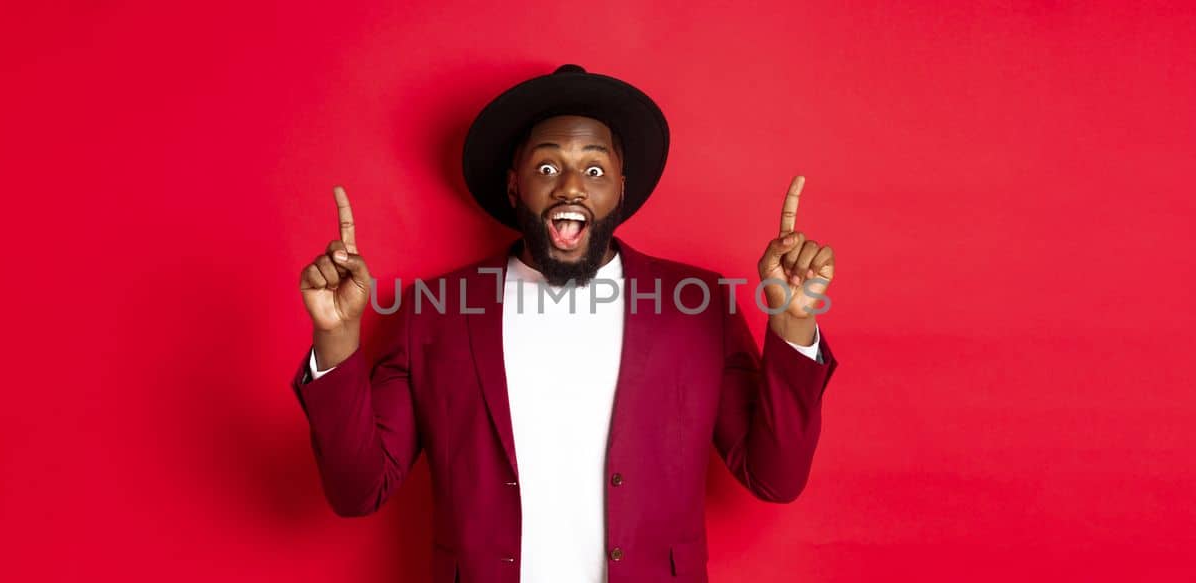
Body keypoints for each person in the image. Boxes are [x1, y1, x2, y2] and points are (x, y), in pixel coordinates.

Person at [293, 64, 840, 582]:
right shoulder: (434, 311)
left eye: (595, 169)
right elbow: (357, 491)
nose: (571, 186)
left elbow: (775, 477)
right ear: (514, 187)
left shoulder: (697, 307)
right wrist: (336, 337)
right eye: (548, 166)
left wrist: (792, 325)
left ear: (620, 189)